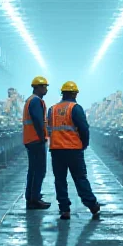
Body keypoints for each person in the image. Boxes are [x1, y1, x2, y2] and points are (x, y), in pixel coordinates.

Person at [48, 81, 101, 220]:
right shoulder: (75, 108)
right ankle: (92, 205)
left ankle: (64, 210)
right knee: (80, 178)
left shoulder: (52, 109)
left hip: (56, 150)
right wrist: (84, 144)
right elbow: (84, 128)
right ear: (74, 93)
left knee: (60, 180)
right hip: (73, 150)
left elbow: (49, 128)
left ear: (62, 93)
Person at [23, 76, 51, 209]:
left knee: (33, 169)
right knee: (39, 170)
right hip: (35, 140)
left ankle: (31, 197)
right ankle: (34, 199)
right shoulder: (35, 101)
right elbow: (38, 121)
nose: (46, 89)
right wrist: (42, 137)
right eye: (44, 86)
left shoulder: (31, 100)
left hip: (30, 139)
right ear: (38, 87)